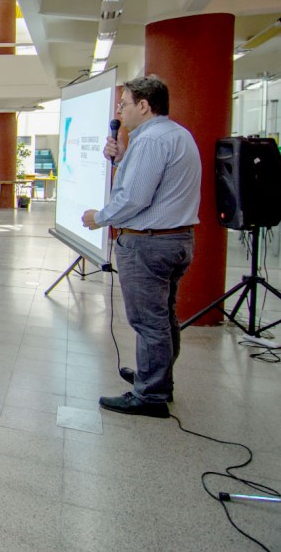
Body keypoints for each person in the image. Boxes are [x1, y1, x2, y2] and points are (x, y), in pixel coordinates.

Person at [82, 75, 200, 419]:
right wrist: (120, 160)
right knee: (163, 317)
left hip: (149, 243)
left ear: (144, 106)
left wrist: (99, 217)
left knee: (149, 322)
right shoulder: (177, 134)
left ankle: (150, 395)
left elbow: (135, 197)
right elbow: (156, 186)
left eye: (124, 104)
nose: (120, 111)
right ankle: (158, 379)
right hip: (176, 239)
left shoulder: (150, 142)